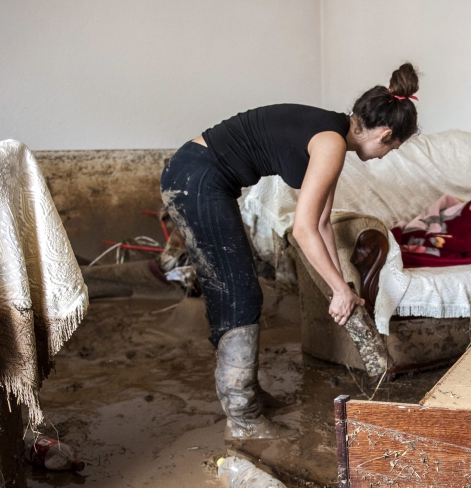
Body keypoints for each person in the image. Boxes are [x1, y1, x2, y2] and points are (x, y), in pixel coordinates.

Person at [160, 64, 420, 440]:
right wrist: (340, 290)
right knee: (239, 292)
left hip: (200, 176)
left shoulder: (333, 138)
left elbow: (322, 224)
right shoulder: (330, 143)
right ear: (385, 133)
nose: (387, 154)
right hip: (196, 178)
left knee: (234, 288)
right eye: (393, 146)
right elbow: (301, 229)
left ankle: (249, 395)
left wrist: (341, 286)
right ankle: (243, 415)